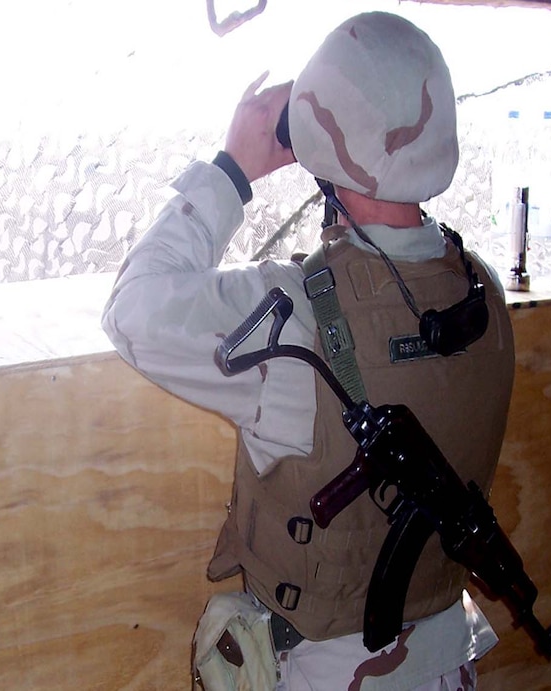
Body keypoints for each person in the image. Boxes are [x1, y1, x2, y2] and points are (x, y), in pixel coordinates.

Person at [101, 11, 515, 691]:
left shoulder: (294, 319)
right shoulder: (485, 293)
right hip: (448, 662)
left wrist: (233, 168)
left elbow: (134, 308)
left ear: (321, 143)